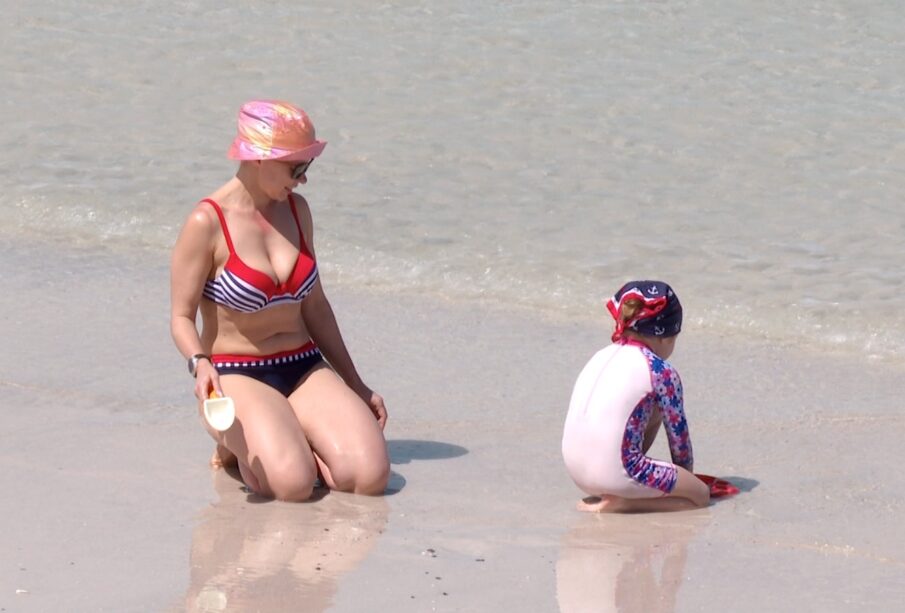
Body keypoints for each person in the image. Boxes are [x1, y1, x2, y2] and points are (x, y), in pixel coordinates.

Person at [170, 100, 390, 501]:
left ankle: (291, 434)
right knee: (293, 486)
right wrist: (199, 363)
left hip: (302, 365)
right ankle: (237, 443)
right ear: (257, 158)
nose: (303, 180)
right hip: (236, 372)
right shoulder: (206, 223)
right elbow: (181, 317)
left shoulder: (298, 211)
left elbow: (316, 307)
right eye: (297, 168)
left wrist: (356, 384)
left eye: (307, 167)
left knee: (368, 478)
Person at [561, 280, 709, 512]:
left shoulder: (600, 356)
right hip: (616, 474)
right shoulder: (660, 371)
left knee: (645, 406)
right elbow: (680, 445)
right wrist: (686, 482)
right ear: (666, 337)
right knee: (700, 494)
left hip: (576, 471)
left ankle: (618, 486)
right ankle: (625, 502)